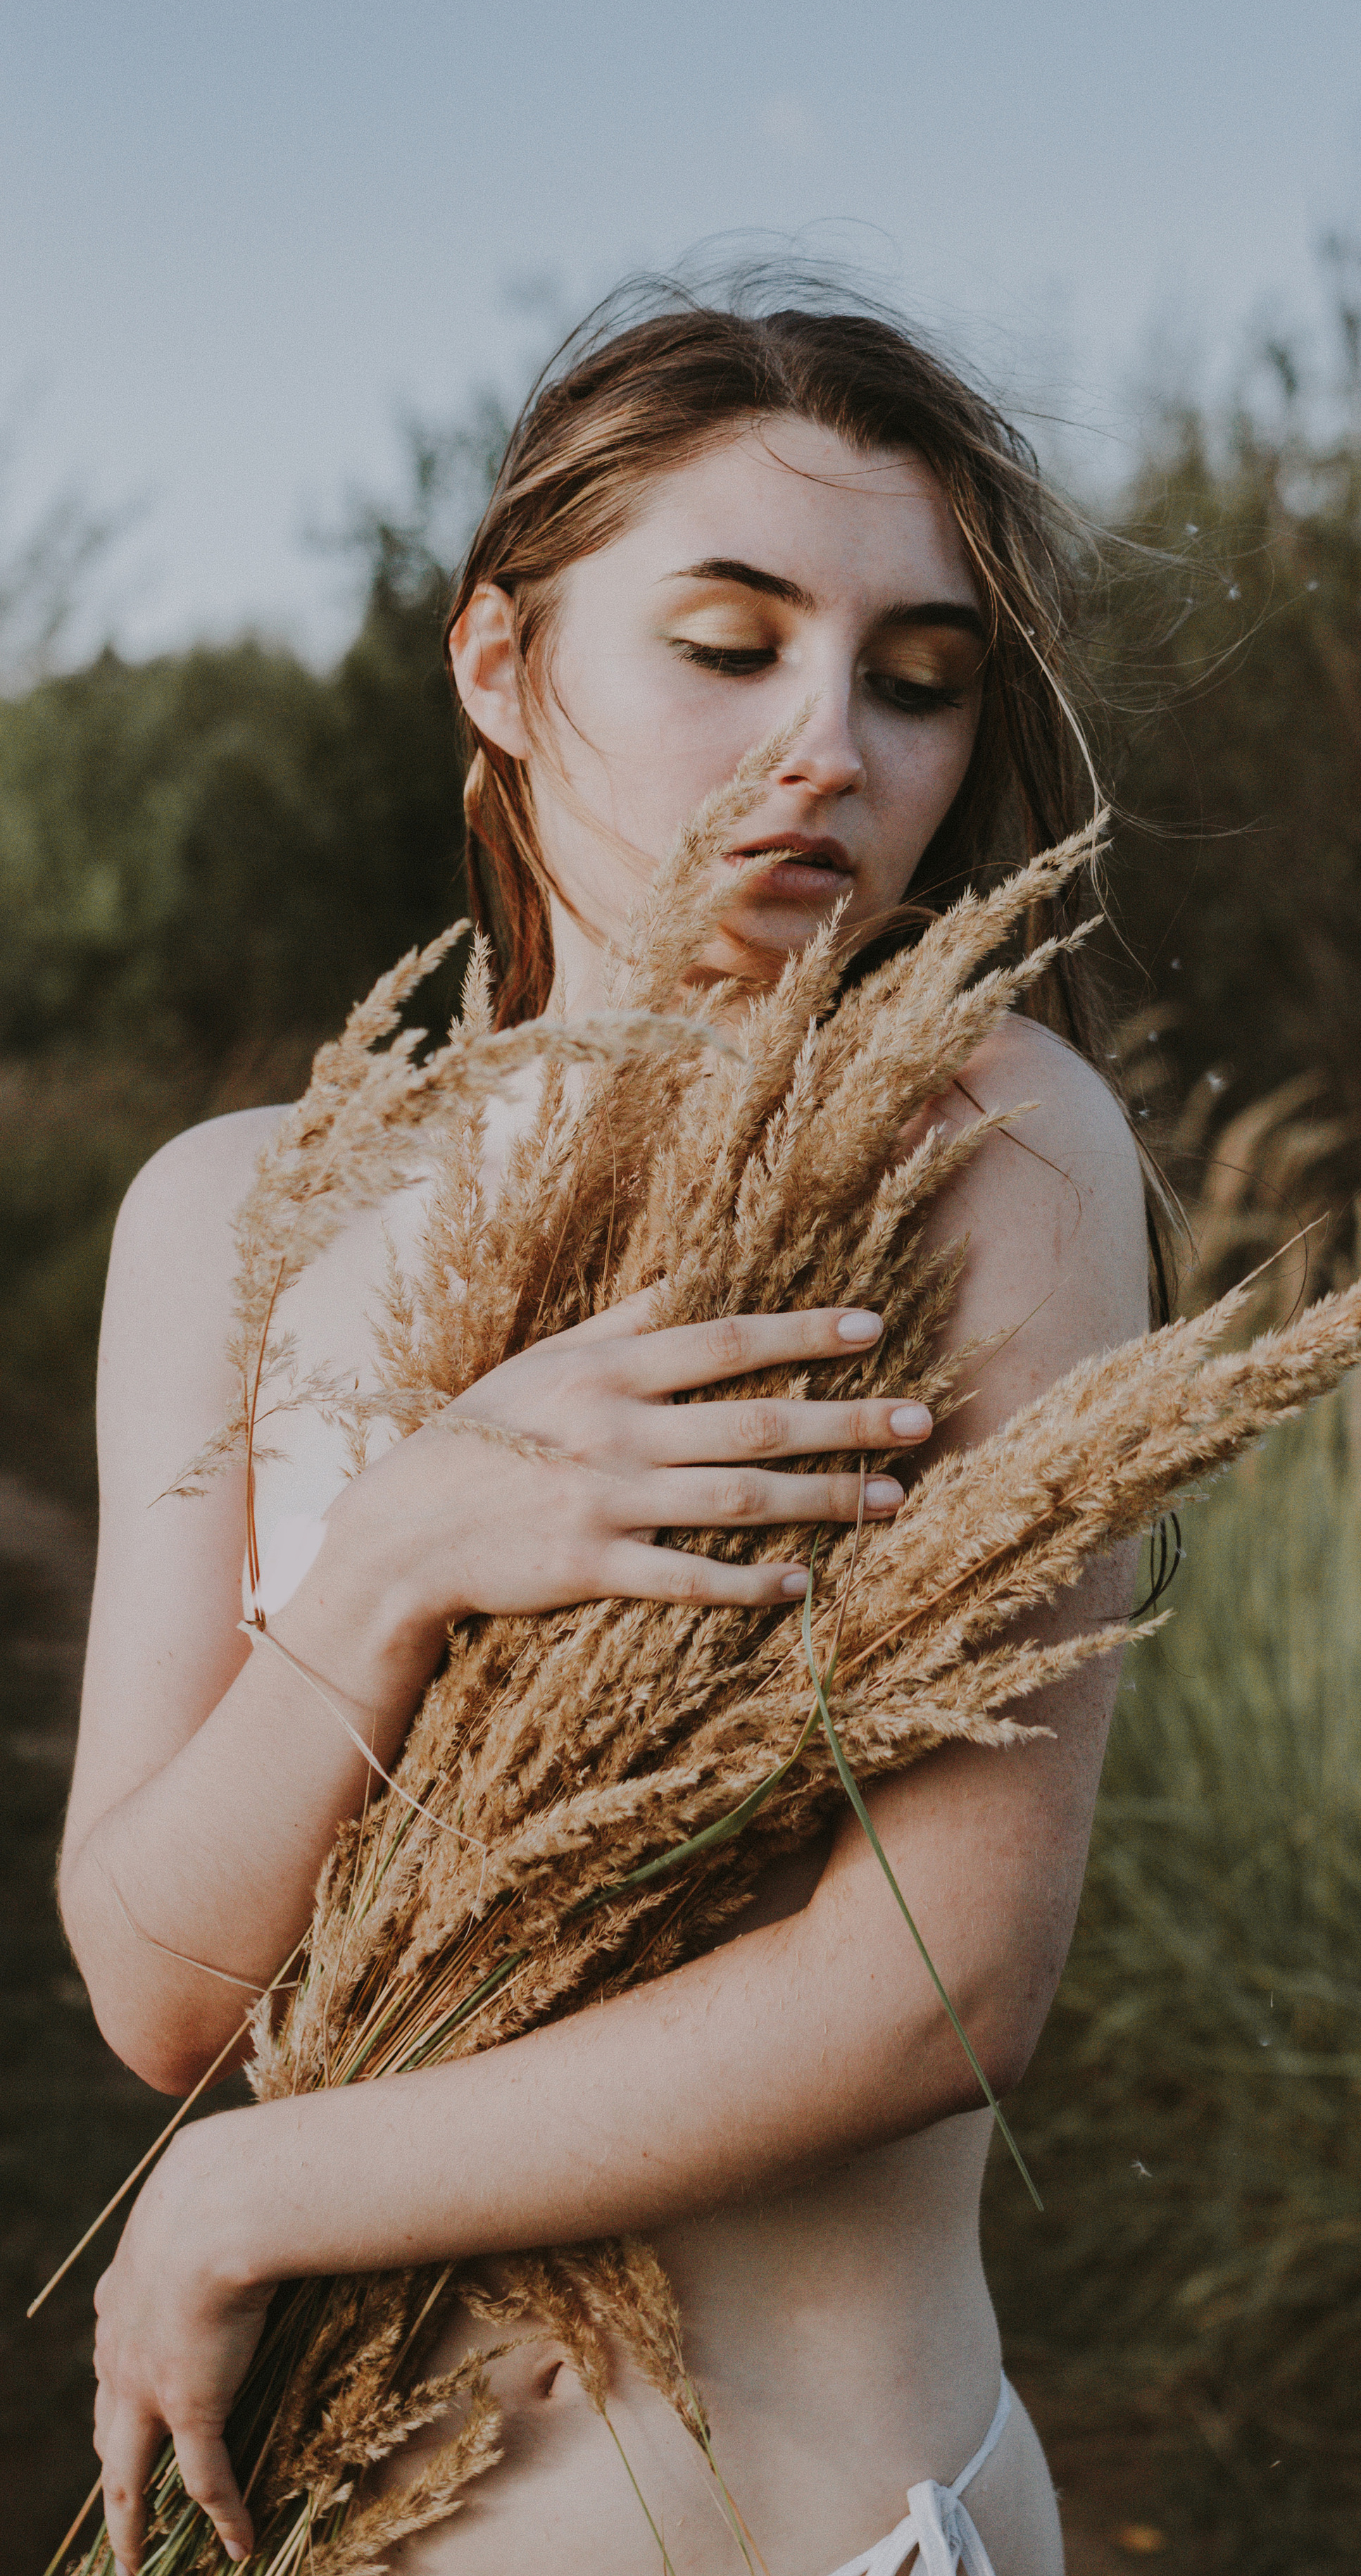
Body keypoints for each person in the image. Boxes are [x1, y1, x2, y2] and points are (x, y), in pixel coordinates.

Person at [59, 288, 1151, 2575]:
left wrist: (268, 2183)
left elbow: (942, 1986)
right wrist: (398, 1556)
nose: (829, 746)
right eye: (731, 644)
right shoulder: (237, 1210)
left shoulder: (988, 1137)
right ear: (499, 662)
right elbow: (160, 1985)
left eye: (917, 679)